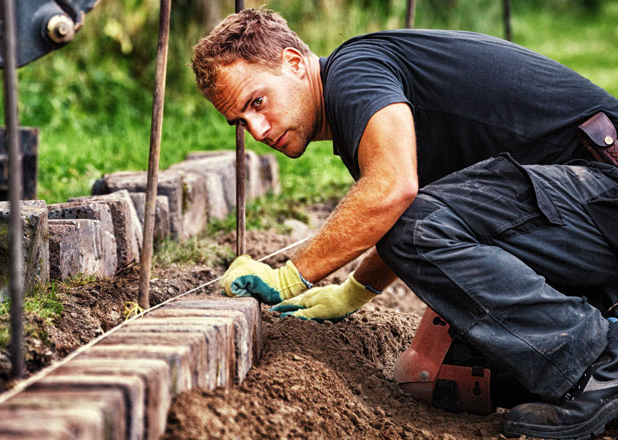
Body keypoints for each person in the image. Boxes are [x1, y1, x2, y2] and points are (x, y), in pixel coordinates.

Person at [191, 7, 618, 439]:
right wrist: (353, 292)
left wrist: (290, 277)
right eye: (241, 122)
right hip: (581, 214)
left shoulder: (355, 73)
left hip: (604, 192)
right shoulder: (360, 97)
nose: (258, 130)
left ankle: (599, 364)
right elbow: (409, 204)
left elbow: (395, 194)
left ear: (295, 63)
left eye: (257, 102)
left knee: (412, 229)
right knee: (440, 370)